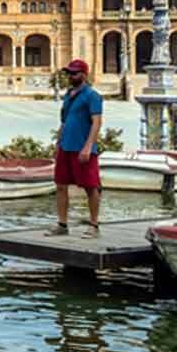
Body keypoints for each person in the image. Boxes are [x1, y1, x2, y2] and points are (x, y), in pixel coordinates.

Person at [48, 58, 103, 238]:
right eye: (69, 73)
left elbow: (96, 122)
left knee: (90, 186)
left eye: (74, 73)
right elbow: (64, 121)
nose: (71, 76)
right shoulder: (68, 95)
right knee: (61, 185)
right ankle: (62, 224)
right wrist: (58, 142)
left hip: (83, 148)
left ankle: (94, 225)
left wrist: (88, 147)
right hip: (66, 146)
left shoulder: (92, 96)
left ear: (84, 75)